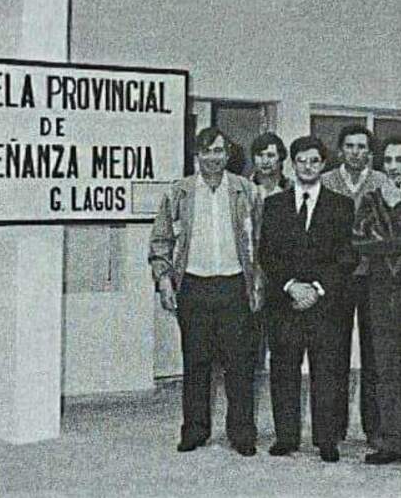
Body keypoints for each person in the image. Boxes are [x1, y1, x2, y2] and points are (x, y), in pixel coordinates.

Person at [149, 127, 263, 457]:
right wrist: (164, 280)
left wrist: (257, 284)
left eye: (218, 151)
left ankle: (242, 433)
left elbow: (258, 242)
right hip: (194, 287)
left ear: (228, 154)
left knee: (239, 364)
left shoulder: (246, 191)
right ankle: (195, 430)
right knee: (196, 362)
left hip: (234, 285)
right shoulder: (179, 192)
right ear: (196, 155)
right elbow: (160, 241)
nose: (213, 157)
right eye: (206, 151)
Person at [260, 135, 355, 462]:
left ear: (323, 164)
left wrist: (316, 288)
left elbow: (346, 256)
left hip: (325, 305)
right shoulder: (273, 205)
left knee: (326, 373)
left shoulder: (342, 206)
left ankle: (326, 440)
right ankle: (286, 437)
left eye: (314, 161)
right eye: (302, 160)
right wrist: (290, 286)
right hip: (285, 301)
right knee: (284, 370)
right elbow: (266, 254)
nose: (308, 166)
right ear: (293, 164)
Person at [321, 125, 386, 445]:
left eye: (362, 146)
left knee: (374, 357)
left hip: (373, 278)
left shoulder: (382, 183)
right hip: (336, 279)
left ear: (369, 152)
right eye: (350, 146)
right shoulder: (326, 181)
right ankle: (334, 428)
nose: (356, 152)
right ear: (340, 150)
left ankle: (375, 429)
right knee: (334, 355)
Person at [353, 136, 401, 464]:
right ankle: (389, 441)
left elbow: (378, 241)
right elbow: (360, 242)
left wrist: (385, 237)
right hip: (382, 292)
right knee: (385, 368)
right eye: (389, 161)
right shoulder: (371, 198)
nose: (395, 167)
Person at [249, 132, 293, 371]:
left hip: (281, 273)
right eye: (260, 155)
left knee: (283, 343)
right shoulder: (243, 190)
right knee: (247, 342)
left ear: (281, 159)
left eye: (271, 155)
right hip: (250, 271)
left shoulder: (292, 190)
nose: (265, 161)